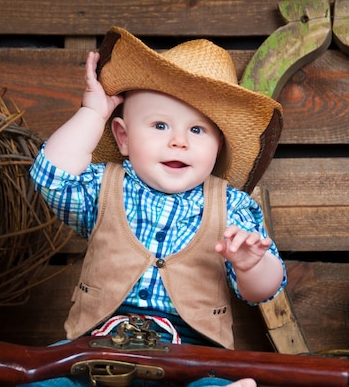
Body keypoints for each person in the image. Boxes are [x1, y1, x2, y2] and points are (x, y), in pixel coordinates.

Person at [27, 26, 286, 387]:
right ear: (123, 137)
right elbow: (50, 176)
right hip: (95, 347)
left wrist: (252, 265)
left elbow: (264, 291)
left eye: (197, 131)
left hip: (194, 356)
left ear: (218, 148)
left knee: (213, 383)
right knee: (45, 379)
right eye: (160, 125)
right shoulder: (104, 186)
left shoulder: (230, 206)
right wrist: (92, 113)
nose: (178, 141)